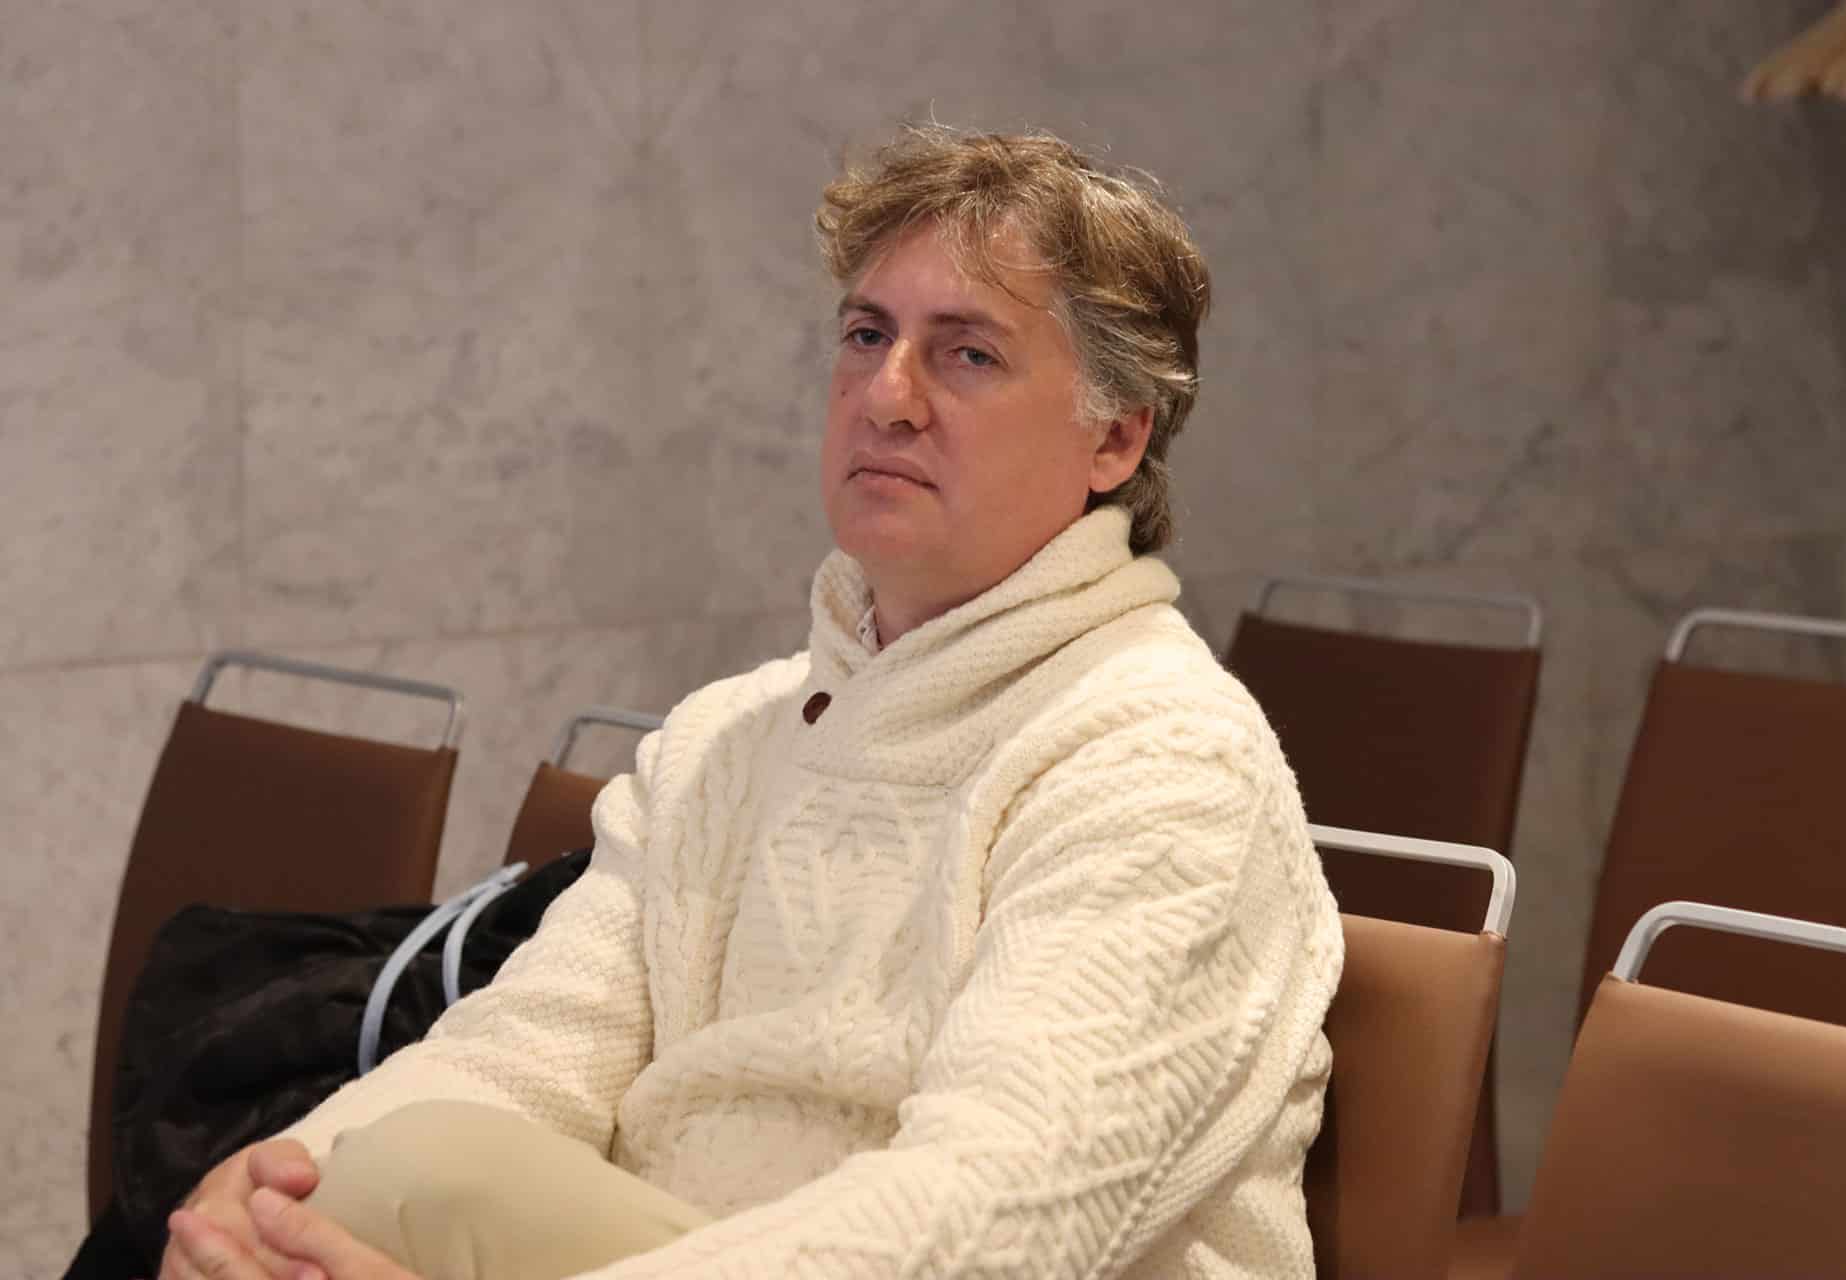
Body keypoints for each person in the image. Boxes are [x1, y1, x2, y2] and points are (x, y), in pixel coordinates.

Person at [161, 123, 1344, 1280]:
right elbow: (520, 1054)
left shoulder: (1162, 757)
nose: (886, 395)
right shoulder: (727, 739)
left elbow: (997, 1216)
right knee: (377, 1176)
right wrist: (265, 1187)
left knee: (414, 1186)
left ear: (1115, 439)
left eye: (968, 354)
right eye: (867, 334)